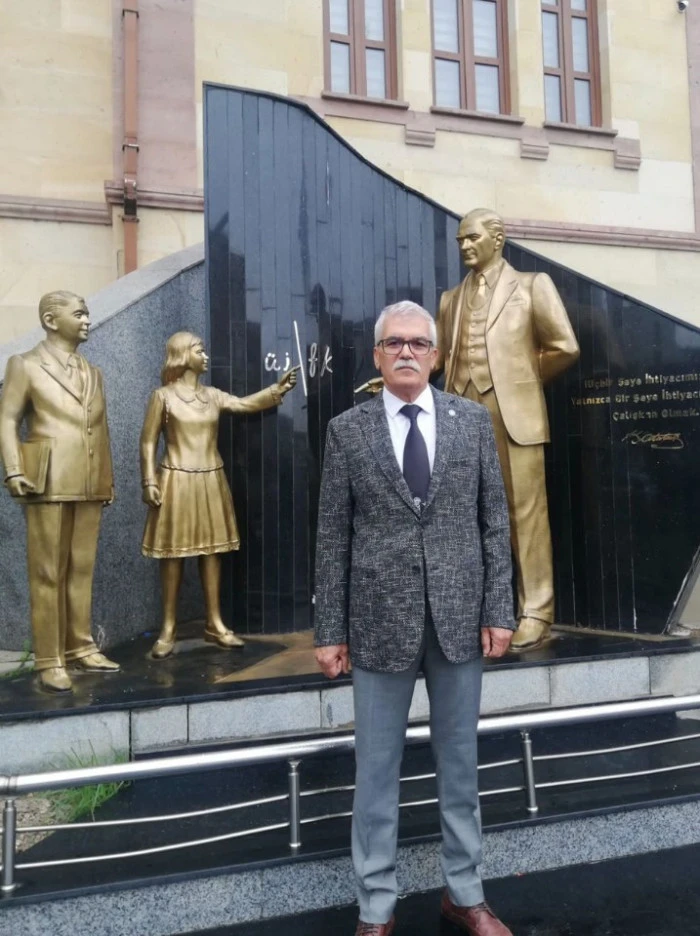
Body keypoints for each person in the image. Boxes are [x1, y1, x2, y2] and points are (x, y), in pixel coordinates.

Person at [314, 301, 515, 936]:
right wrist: (330, 630)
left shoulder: (472, 422)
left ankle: (466, 894)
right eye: (394, 343)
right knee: (375, 772)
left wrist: (499, 609)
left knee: (461, 766)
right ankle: (376, 907)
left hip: (460, 621)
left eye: (418, 343)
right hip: (378, 624)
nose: (406, 351)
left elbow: (494, 522)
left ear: (436, 355)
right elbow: (332, 536)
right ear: (377, 355)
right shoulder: (347, 431)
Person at [436, 208, 579, 650]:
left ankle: (536, 611)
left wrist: (519, 380)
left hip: (514, 414)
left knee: (525, 514)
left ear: (497, 239)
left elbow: (565, 346)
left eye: (472, 237)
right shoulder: (449, 299)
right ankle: (472, 610)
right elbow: (440, 357)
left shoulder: (533, 286)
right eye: (460, 240)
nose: (464, 246)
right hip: (459, 410)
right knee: (462, 511)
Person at [140, 332, 297, 658]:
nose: (206, 356)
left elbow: (243, 404)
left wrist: (276, 390)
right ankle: (168, 627)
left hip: (211, 477)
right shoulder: (163, 397)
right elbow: (148, 441)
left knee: (213, 551)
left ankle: (214, 622)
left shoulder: (211, 395)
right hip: (176, 479)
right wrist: (149, 480)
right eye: (200, 350)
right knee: (173, 553)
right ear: (183, 355)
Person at [0, 290, 120, 693]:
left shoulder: (94, 372)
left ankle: (80, 647)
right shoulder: (25, 364)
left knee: (82, 570)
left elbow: (100, 428)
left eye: (87, 314)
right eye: (79, 314)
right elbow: (7, 419)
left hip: (88, 481)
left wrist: (106, 479)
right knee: (48, 572)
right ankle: (50, 660)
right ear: (52, 321)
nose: (87, 320)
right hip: (47, 480)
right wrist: (14, 469)